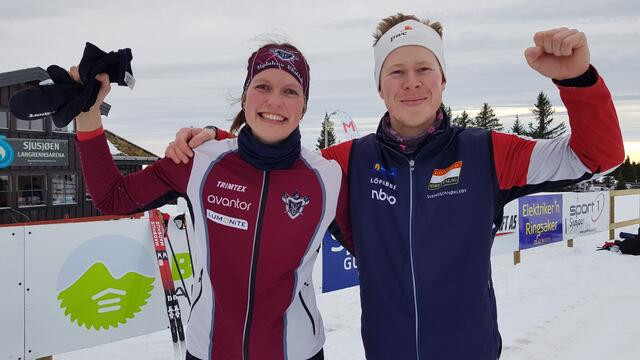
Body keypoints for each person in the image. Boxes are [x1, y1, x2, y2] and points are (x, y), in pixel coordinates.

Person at [166, 14, 624, 360]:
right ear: (379, 88)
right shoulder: (349, 161)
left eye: (423, 69)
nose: (411, 83)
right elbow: (276, 158)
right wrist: (212, 142)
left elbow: (597, 156)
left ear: (442, 79)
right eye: (396, 72)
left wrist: (577, 80)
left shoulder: (488, 152)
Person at [74, 42, 349, 360]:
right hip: (208, 350)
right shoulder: (198, 161)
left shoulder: (328, 179)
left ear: (303, 107)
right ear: (245, 96)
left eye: (291, 91)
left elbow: (380, 254)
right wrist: (88, 113)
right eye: (263, 86)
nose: (275, 100)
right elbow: (112, 197)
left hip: (299, 353)